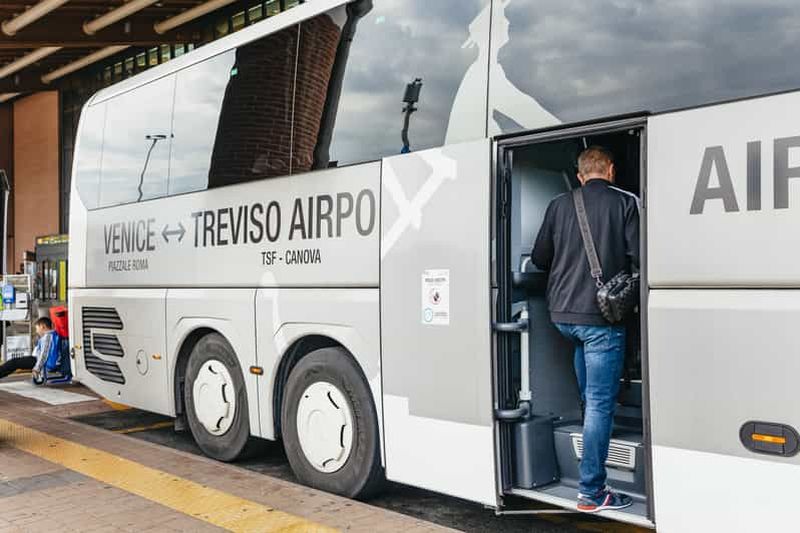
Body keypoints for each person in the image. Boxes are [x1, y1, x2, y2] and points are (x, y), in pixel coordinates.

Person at [531, 146, 639, 513]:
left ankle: (587, 462)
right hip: (600, 320)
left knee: (591, 398)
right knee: (599, 405)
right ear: (610, 170)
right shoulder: (625, 203)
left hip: (563, 317)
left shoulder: (559, 205)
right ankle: (592, 492)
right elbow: (640, 256)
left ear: (580, 175)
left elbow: (540, 257)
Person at [0, 317, 55, 381]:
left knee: (13, 363)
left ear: (43, 326)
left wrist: (37, 368)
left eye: (37, 329)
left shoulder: (48, 337)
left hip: (36, 360)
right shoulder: (50, 335)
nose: (37, 331)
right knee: (13, 363)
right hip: (36, 359)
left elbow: (44, 354)